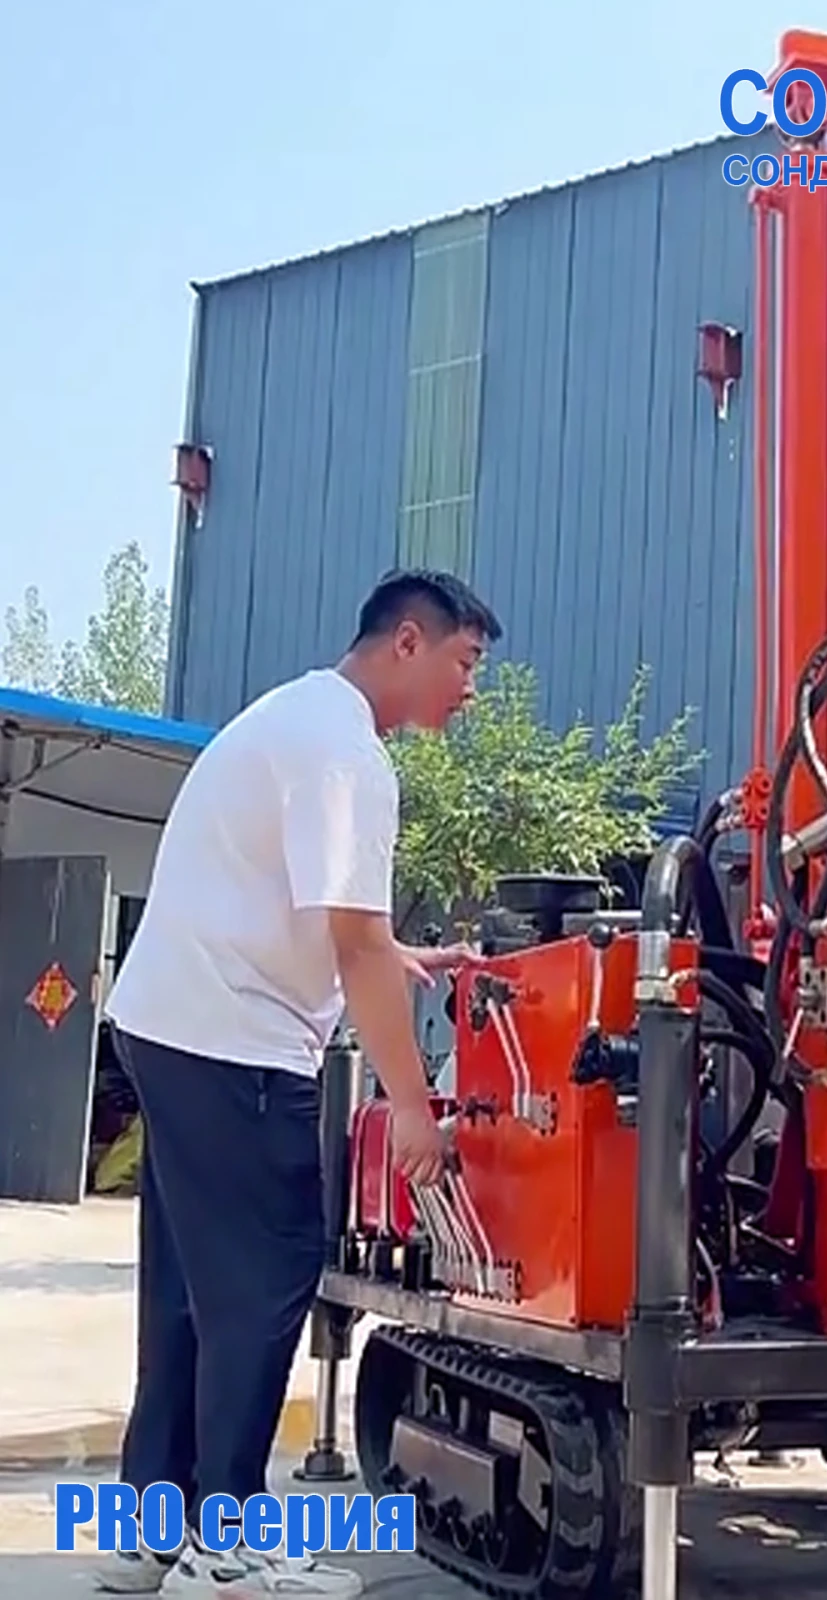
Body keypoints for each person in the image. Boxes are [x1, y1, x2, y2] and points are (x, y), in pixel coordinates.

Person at [93, 569, 503, 1597]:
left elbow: (318, 915)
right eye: (464, 663)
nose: (469, 689)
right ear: (407, 642)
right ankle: (225, 1549)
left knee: (189, 1296)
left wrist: (396, 954)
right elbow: (352, 943)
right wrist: (412, 1107)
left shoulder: (293, 715)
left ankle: (152, 1531)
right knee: (264, 1287)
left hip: (170, 1026)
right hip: (234, 1046)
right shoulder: (347, 755)